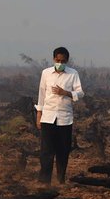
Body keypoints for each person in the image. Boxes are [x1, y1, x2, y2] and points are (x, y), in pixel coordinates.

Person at [35, 47, 84, 185]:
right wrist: (39, 115)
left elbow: (80, 93)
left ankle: (60, 180)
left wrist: (66, 92)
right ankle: (44, 181)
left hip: (65, 118)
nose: (60, 63)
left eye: (63, 61)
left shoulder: (73, 74)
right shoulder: (46, 73)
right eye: (58, 60)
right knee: (46, 151)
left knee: (63, 150)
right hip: (48, 117)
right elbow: (41, 95)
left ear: (67, 61)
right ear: (53, 59)